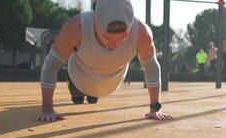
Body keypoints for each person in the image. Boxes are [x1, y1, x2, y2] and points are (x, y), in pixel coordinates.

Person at [38, 0, 173, 122]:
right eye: (107, 38)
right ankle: (77, 92)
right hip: (78, 80)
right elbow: (50, 66)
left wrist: (155, 108)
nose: (114, 46)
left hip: (111, 84)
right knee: (77, 97)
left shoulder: (141, 33)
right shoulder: (76, 27)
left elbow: (152, 68)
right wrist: (47, 109)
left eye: (122, 38)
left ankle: (92, 95)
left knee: (92, 98)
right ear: (95, 22)